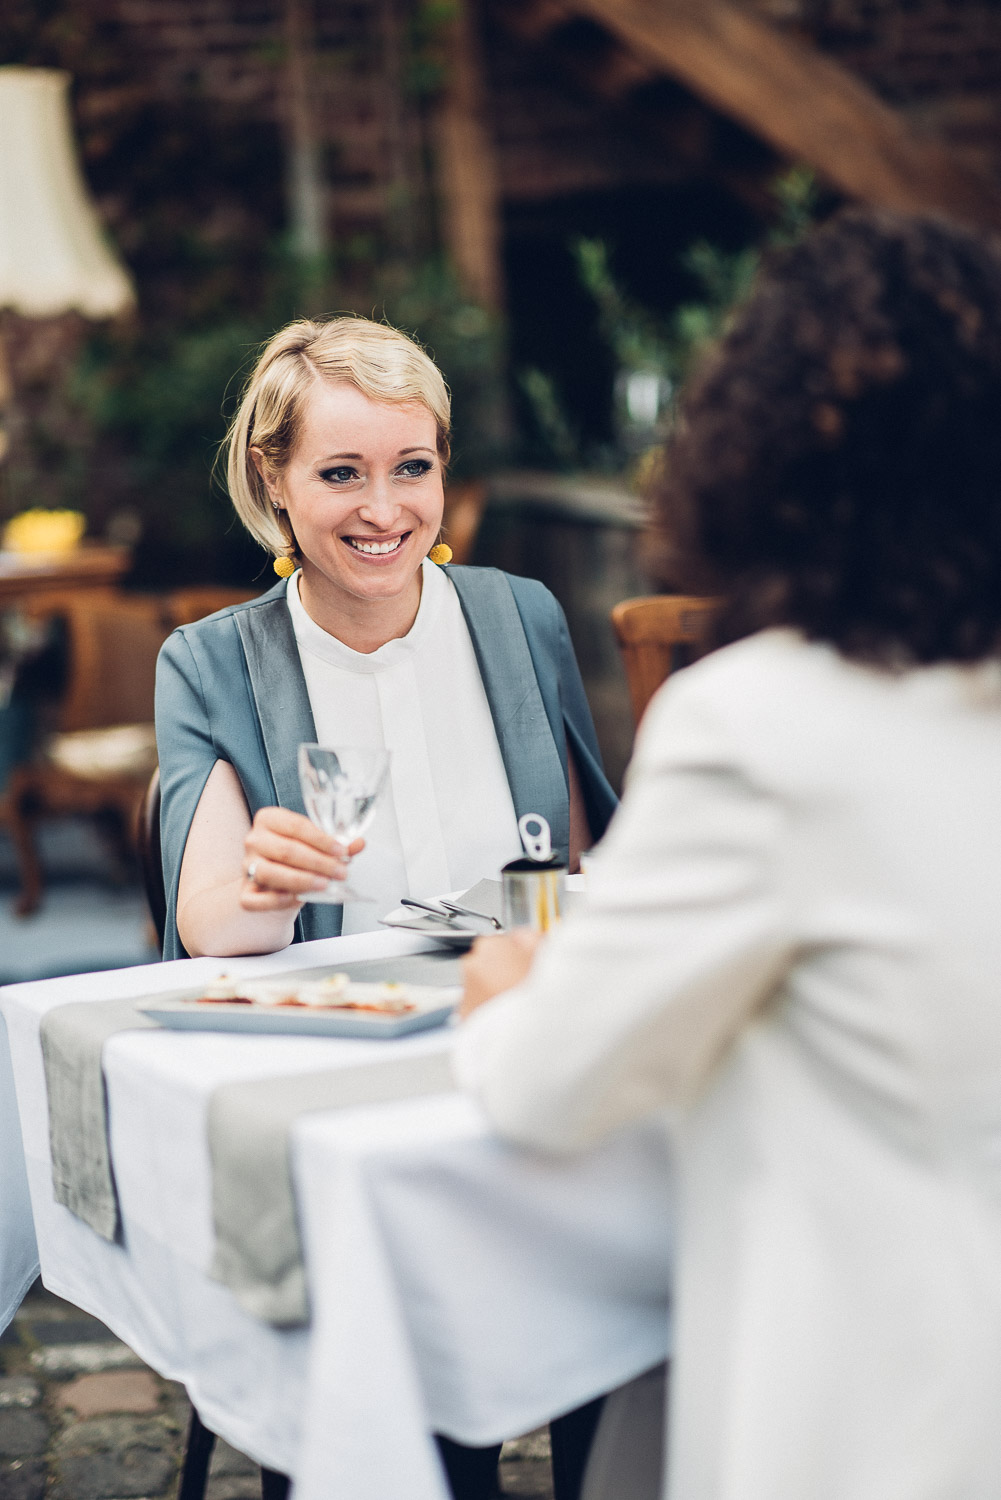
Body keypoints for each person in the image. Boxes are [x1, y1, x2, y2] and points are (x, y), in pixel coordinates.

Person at [456, 209, 1001, 1500]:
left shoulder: (758, 724)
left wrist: (505, 990)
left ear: (761, 450)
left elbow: (547, 1090)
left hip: (883, 1416)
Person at [155, 316, 615, 962]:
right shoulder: (211, 667)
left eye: (411, 468)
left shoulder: (523, 616)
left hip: (515, 1012)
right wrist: (268, 891)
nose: (382, 510)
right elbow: (210, 925)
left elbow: (576, 871)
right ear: (272, 479)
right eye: (341, 474)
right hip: (330, 1027)